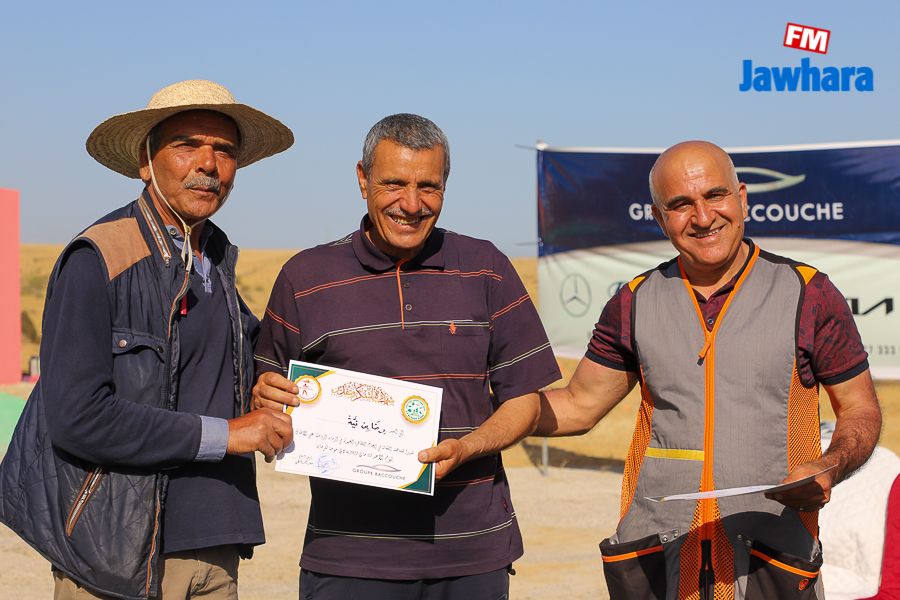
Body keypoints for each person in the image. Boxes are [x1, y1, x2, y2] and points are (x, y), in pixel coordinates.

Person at [535, 141, 882, 599]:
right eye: (680, 205)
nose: (702, 217)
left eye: (715, 195)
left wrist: (829, 466)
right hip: (662, 556)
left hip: (770, 559)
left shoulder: (809, 293)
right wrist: (479, 409)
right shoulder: (634, 302)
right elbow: (577, 405)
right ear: (659, 218)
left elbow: (860, 409)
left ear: (742, 198)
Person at [0, 80, 296, 600]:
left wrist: (265, 384)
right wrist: (227, 435)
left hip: (216, 546)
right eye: (187, 145)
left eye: (224, 150)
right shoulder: (99, 259)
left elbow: (230, 371)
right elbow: (79, 417)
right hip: (116, 556)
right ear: (145, 161)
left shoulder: (216, 261)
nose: (208, 164)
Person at [252, 113, 561, 599]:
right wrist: (267, 401)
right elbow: (267, 401)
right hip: (348, 559)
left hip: (472, 556)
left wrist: (468, 448)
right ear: (362, 180)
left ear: (445, 186)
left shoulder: (487, 269)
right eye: (394, 183)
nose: (412, 204)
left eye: (428, 186)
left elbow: (524, 400)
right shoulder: (304, 277)